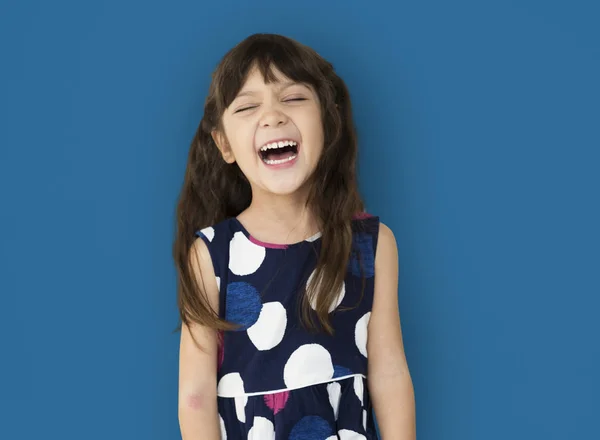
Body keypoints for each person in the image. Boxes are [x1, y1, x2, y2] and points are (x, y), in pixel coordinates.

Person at [173, 33, 416, 440]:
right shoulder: (212, 255)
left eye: (294, 98)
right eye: (248, 106)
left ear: (327, 120)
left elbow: (390, 374)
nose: (273, 116)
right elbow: (195, 395)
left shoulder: (372, 246)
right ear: (223, 144)